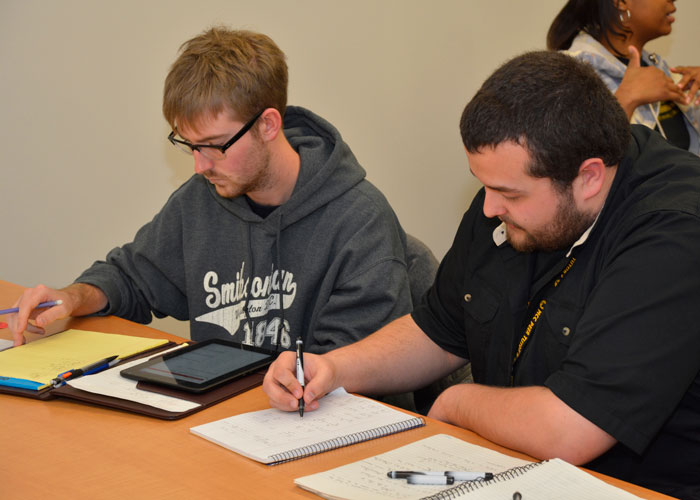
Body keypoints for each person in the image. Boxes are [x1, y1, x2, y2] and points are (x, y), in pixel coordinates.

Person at [263, 51, 700, 499]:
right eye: (483, 184)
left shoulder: (675, 230)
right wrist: (335, 368)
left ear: (587, 178)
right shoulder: (513, 202)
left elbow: (572, 427)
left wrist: (457, 401)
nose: (489, 208)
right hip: (509, 468)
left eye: (508, 193)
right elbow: (438, 329)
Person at [7, 27, 414, 355]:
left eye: (215, 145)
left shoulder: (359, 221)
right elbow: (132, 277)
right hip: (224, 422)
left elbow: (350, 375)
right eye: (189, 145)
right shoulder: (202, 200)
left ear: (268, 125)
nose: (200, 166)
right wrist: (75, 297)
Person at [547, 0, 700, 156]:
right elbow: (572, 164)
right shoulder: (565, 75)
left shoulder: (661, 70)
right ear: (621, 2)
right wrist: (626, 99)